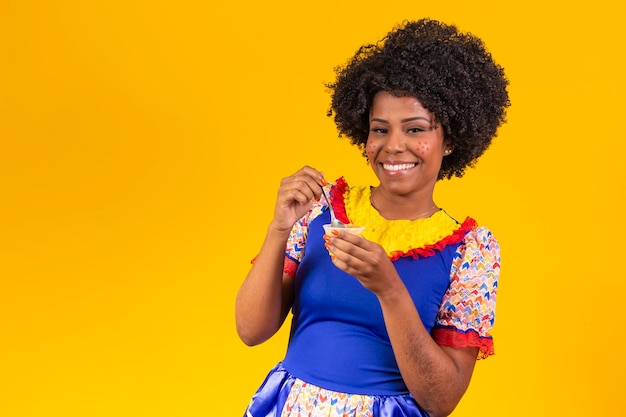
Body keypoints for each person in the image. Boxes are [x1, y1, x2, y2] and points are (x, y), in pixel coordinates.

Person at [235, 18, 510, 417]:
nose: (394, 146)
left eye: (415, 129)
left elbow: (442, 399)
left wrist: (389, 289)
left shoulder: (470, 250)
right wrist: (279, 228)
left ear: (450, 140)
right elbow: (250, 331)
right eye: (379, 129)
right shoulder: (321, 209)